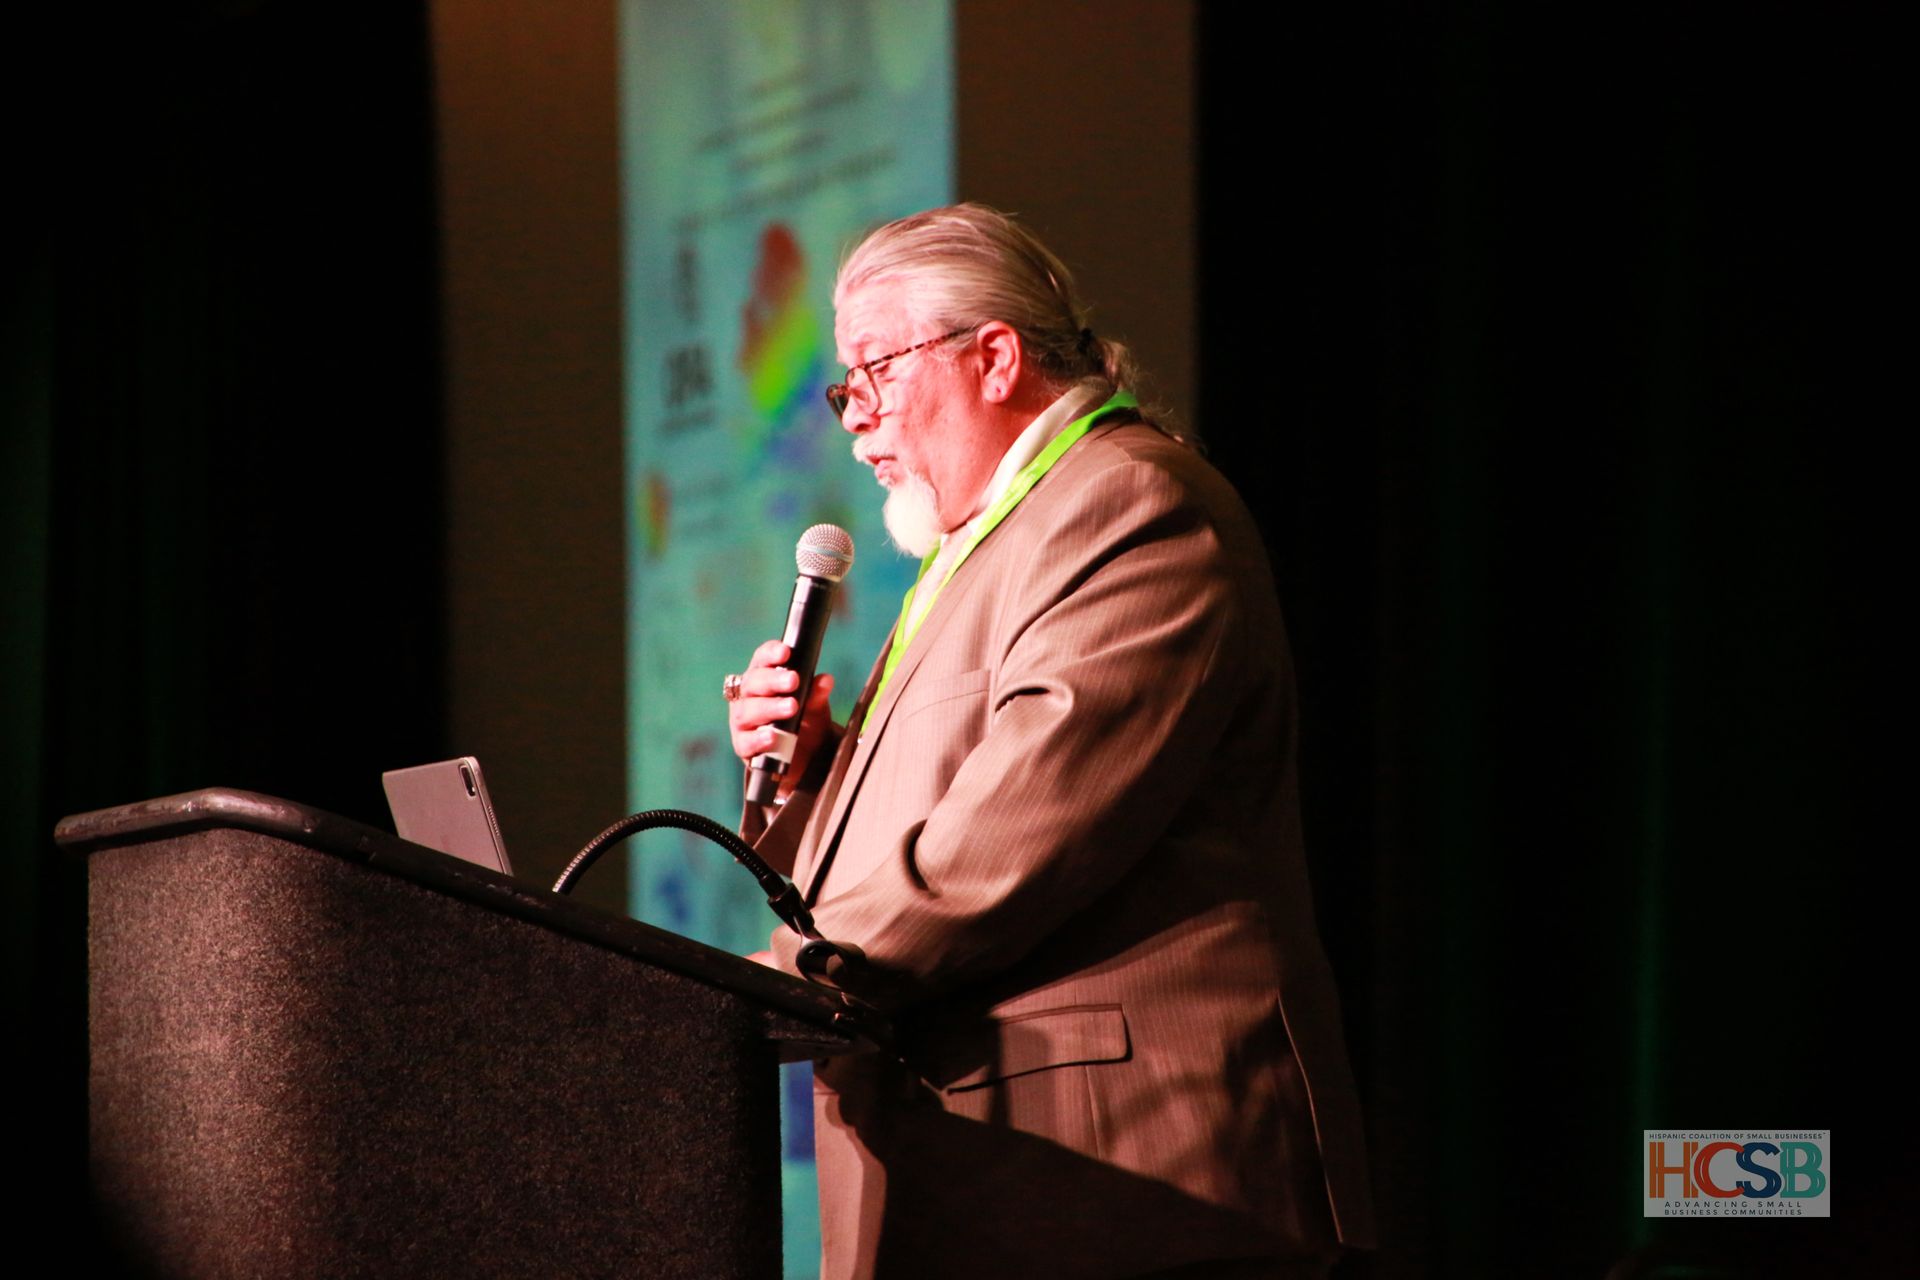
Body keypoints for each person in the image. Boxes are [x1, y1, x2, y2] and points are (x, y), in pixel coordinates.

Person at [725, 204, 1373, 1279]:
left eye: (876, 370)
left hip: (1133, 1184)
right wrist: (818, 770)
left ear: (992, 356)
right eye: (847, 385)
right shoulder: (995, 536)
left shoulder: (1127, 506)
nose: (855, 416)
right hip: (1001, 1183)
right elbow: (957, 805)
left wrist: (750, 992)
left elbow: (1008, 846)